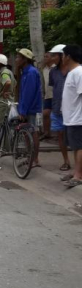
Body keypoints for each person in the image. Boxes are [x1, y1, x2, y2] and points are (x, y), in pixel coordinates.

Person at [16, 48, 43, 168]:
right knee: (28, 134)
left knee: (33, 133)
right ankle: (30, 157)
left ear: (25, 59)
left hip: (32, 108)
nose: (16, 59)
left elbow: (28, 93)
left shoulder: (31, 72)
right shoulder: (25, 71)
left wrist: (23, 110)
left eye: (18, 57)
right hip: (28, 108)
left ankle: (34, 159)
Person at [61, 45, 82, 187]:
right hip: (71, 118)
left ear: (68, 56)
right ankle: (77, 171)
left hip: (78, 118)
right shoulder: (72, 72)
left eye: (63, 55)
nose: (62, 58)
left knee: (79, 147)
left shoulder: (79, 72)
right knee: (75, 147)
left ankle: (78, 176)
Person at [48, 44, 71, 171]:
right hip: (57, 108)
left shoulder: (74, 70)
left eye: (54, 55)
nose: (52, 58)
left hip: (73, 110)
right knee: (60, 135)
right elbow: (53, 88)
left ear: (62, 56)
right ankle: (66, 161)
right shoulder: (53, 71)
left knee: (74, 136)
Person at [0, 54, 17, 129]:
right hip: (9, 102)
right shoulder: (9, 72)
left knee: (2, 126)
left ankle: (4, 141)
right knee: (9, 127)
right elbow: (15, 84)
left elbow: (8, 82)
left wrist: (4, 92)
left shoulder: (4, 73)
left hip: (4, 103)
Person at [41, 52, 55, 140]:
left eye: (47, 56)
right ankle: (47, 133)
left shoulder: (56, 68)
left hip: (56, 95)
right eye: (44, 56)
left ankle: (61, 134)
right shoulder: (44, 69)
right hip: (47, 95)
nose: (45, 58)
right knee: (45, 114)